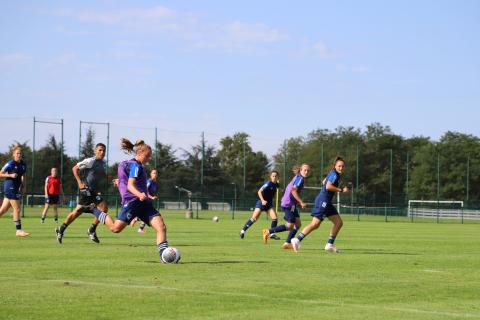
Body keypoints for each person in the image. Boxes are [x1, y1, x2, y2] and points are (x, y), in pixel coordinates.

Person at [90, 139, 170, 262]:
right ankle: (93, 210)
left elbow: (125, 178)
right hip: (133, 203)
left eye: (149, 156)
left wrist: (120, 181)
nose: (148, 159)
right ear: (139, 153)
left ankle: (164, 256)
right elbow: (130, 186)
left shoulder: (130, 164)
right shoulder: (136, 166)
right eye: (147, 156)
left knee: (161, 227)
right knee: (115, 229)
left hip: (144, 204)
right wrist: (140, 194)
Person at [291, 157, 348, 253]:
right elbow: (328, 186)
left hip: (327, 202)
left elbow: (324, 182)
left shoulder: (333, 173)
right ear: (335, 166)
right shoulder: (334, 174)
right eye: (339, 166)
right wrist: (341, 190)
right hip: (323, 201)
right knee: (315, 224)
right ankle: (297, 239)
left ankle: (329, 244)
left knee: (338, 223)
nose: (341, 168)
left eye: (342, 166)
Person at [55, 143, 107, 244]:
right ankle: (91, 230)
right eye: (100, 150)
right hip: (86, 190)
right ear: (95, 151)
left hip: (93, 191)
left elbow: (98, 176)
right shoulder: (90, 161)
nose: (102, 152)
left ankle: (61, 230)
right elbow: (74, 168)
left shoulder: (102, 163)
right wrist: (79, 182)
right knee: (97, 209)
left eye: (104, 150)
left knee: (80, 211)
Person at [262, 164, 310, 249]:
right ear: (301, 170)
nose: (306, 172)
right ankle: (268, 231)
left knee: (298, 224)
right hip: (288, 204)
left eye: (308, 171)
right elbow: (293, 191)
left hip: (291, 203)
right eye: (305, 170)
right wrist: (301, 202)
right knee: (289, 226)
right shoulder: (300, 178)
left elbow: (291, 190)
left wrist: (297, 202)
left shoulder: (298, 177)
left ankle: (287, 243)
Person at [240, 170, 280, 240]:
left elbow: (274, 192)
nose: (274, 177)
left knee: (275, 218)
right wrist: (263, 200)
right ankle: (243, 231)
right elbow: (259, 191)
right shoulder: (268, 184)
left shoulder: (277, 184)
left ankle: (272, 234)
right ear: (270, 177)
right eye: (273, 176)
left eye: (275, 176)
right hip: (261, 202)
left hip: (269, 204)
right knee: (254, 218)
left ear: (277, 177)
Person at [0, 145, 30, 237]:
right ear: (13, 155)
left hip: (16, 188)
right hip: (10, 188)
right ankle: (18, 230)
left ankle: (18, 230)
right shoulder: (10, 163)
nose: (19, 155)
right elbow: (0, 174)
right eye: (17, 153)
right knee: (17, 209)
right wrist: (10, 175)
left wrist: (24, 186)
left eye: (20, 153)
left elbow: (24, 175)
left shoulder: (23, 164)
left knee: (3, 210)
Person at [134, 168, 158, 233]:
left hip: (149, 201)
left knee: (147, 215)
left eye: (156, 173)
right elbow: (145, 191)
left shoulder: (154, 183)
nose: (155, 174)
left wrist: (154, 196)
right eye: (154, 173)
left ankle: (140, 227)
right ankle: (136, 219)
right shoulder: (149, 181)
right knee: (148, 215)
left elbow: (152, 192)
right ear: (150, 174)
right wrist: (151, 197)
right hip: (144, 200)